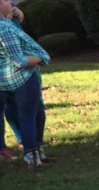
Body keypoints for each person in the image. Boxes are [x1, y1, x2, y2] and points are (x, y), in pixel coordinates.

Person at [0, 0, 49, 168]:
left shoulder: (6, 23)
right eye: (6, 0)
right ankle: (32, 156)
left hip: (10, 79)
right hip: (21, 78)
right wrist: (40, 58)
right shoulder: (4, 28)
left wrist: (13, 19)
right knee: (29, 116)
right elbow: (19, 60)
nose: (11, 2)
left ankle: (37, 152)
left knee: (38, 114)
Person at [0, 1, 22, 160]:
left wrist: (17, 17)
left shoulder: (9, 10)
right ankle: (1, 148)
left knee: (12, 103)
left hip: (10, 70)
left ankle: (24, 140)